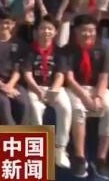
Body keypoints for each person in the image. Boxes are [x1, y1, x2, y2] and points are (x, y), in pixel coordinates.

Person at [63, 14, 109, 179]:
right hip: (76, 88)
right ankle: (80, 157)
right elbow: (69, 79)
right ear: (76, 31)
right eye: (84, 30)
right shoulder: (67, 50)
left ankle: (101, 158)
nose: (88, 34)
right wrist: (85, 98)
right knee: (78, 109)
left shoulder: (102, 50)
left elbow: (104, 77)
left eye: (92, 30)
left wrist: (98, 96)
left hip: (96, 88)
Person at [22, 15, 71, 170]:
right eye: (43, 28)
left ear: (55, 32)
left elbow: (60, 75)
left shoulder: (59, 52)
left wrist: (53, 90)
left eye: (50, 28)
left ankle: (60, 149)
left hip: (54, 88)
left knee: (65, 108)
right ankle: (38, 150)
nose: (46, 31)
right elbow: (27, 74)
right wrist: (38, 91)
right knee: (35, 109)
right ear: (37, 31)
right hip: (35, 87)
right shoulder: (29, 50)